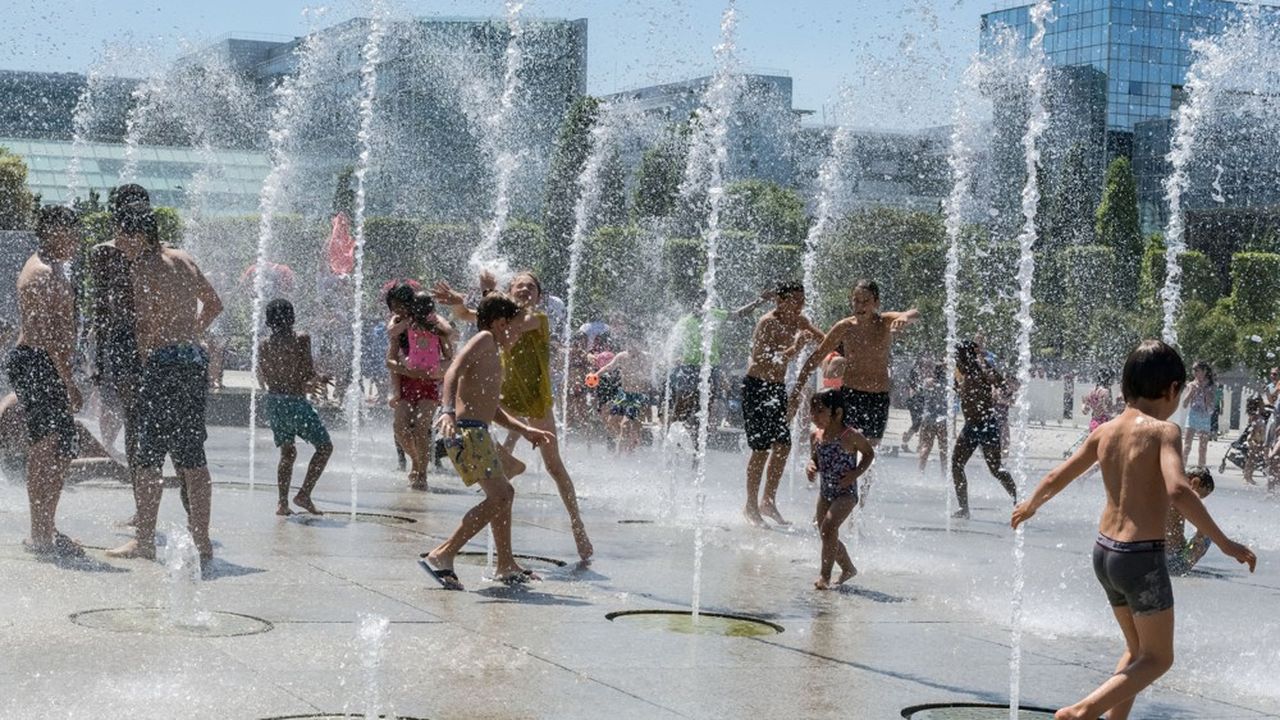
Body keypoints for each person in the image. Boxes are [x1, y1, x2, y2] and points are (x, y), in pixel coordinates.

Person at [1012, 340, 1255, 720]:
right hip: (1140, 559)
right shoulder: (1163, 431)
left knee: (1137, 649)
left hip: (1104, 554)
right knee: (1159, 658)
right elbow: (1178, 490)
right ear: (1173, 389)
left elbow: (1058, 474)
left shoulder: (1106, 430)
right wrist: (1224, 543)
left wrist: (1030, 505)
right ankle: (1080, 713)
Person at [434, 270, 593, 562]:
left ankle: (577, 524)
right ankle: (503, 559)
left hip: (534, 399)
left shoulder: (536, 320)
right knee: (503, 480)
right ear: (510, 289)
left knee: (553, 466)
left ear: (540, 296)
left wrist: (485, 298)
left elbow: (506, 319)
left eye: (531, 288)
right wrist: (461, 304)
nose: (525, 290)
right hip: (502, 400)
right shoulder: (496, 326)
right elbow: (474, 316)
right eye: (519, 286)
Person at [106, 200, 223, 564]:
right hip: (192, 361)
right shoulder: (184, 258)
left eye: (120, 233)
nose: (116, 241)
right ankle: (202, 542)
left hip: (161, 365)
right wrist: (190, 333)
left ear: (137, 234)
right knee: (192, 456)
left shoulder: (142, 265)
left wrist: (147, 358)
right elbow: (215, 304)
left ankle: (143, 543)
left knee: (149, 455)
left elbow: (143, 325)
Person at [420, 294, 556, 591]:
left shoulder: (493, 350)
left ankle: (505, 564)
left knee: (505, 490)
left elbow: (492, 408)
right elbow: (452, 371)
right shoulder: (483, 338)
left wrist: (526, 430)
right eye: (516, 329)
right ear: (499, 323)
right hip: (466, 431)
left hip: (479, 430)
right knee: (501, 495)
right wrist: (446, 412)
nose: (518, 335)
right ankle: (443, 554)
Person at [6, 205, 83, 557]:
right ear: (54, 232)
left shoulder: (53, 267)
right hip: (38, 362)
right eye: (72, 232)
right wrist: (68, 380)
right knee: (46, 447)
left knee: (61, 448)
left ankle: (46, 526)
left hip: (45, 363)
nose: (77, 240)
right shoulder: (40, 272)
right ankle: (39, 534)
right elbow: (45, 333)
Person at [790, 279, 919, 447]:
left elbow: (915, 313)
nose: (860, 306)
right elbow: (816, 357)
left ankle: (865, 473)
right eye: (856, 301)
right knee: (847, 447)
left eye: (866, 301)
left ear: (876, 303)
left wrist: (904, 317)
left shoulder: (885, 322)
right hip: (850, 395)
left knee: (870, 452)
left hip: (878, 397)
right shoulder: (845, 326)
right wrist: (796, 391)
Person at [740, 283, 823, 527]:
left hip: (776, 389)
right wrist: (794, 348)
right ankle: (750, 506)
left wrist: (835, 341)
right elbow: (760, 358)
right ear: (780, 301)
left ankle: (768, 500)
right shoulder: (768, 322)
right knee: (761, 449)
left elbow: (824, 340)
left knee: (783, 445)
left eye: (802, 300)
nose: (800, 305)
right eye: (795, 300)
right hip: (756, 387)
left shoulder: (799, 320)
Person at [257, 299, 333, 516]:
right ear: (291, 316)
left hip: (274, 403)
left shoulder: (263, 344)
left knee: (287, 453)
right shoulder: (301, 338)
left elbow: (268, 376)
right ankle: (304, 494)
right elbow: (306, 373)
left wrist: (303, 383)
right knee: (325, 448)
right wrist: (320, 379)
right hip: (295, 403)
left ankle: (282, 503)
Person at [90, 184, 149, 463]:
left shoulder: (157, 251)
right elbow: (101, 303)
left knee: (136, 399)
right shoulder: (104, 252)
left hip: (145, 332)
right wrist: (100, 353)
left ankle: (137, 455)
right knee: (114, 397)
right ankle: (112, 449)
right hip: (122, 332)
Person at [806, 388, 874, 590]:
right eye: (812, 411)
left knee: (828, 528)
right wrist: (811, 465)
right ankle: (848, 568)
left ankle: (824, 577)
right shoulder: (816, 436)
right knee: (826, 533)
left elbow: (869, 454)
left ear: (837, 413)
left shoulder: (850, 435)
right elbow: (815, 458)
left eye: (820, 411)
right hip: (825, 492)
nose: (814, 416)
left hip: (846, 494)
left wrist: (855, 474)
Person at [387, 291, 454, 490]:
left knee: (421, 427)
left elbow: (450, 358)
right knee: (400, 427)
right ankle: (417, 460)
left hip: (429, 385)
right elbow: (389, 360)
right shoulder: (402, 330)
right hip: (407, 382)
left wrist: (436, 372)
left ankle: (422, 474)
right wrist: (407, 369)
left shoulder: (437, 329)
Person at [950, 340, 1018, 519]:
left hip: (987, 425)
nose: (956, 359)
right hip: (970, 426)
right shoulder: (961, 372)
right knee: (956, 465)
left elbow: (1003, 385)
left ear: (967, 356)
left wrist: (987, 371)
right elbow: (956, 389)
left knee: (995, 469)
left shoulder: (982, 369)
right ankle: (964, 509)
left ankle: (1018, 501)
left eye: (958, 356)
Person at [595, 342, 654, 454]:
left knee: (627, 423)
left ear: (640, 345)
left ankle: (626, 451)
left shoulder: (647, 357)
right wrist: (596, 374)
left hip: (638, 395)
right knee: (611, 420)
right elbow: (609, 367)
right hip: (623, 394)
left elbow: (653, 372)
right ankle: (626, 440)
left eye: (634, 344)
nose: (631, 348)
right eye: (629, 345)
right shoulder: (621, 356)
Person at [1165, 466, 1216, 576]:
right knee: (1207, 536)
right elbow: (1203, 518)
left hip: (1151, 556)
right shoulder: (1184, 494)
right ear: (1195, 482)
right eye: (1202, 494)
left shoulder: (1166, 487)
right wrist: (1199, 537)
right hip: (1173, 564)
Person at [916, 362, 949, 473]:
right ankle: (944, 474)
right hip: (943, 419)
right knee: (944, 449)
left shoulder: (927, 382)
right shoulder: (947, 384)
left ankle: (920, 473)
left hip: (928, 418)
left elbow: (920, 396)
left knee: (926, 446)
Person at [1182, 361, 1216, 466]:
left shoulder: (1210, 386)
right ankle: (1182, 469)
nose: (1195, 372)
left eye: (1197, 370)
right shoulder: (1191, 385)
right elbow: (1184, 404)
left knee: (1202, 448)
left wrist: (1206, 395)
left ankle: (1201, 471)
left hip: (1205, 417)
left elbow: (1211, 407)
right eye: (1194, 370)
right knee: (1187, 446)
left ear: (1204, 371)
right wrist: (1191, 392)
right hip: (1193, 415)